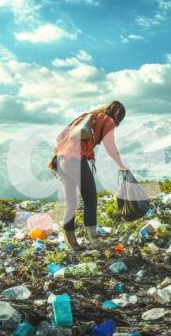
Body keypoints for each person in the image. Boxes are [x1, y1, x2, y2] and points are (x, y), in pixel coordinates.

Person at [50, 101, 128, 251]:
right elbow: (110, 145)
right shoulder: (108, 120)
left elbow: (61, 137)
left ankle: (71, 242)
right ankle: (94, 240)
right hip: (75, 160)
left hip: (61, 160)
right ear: (118, 114)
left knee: (71, 203)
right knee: (90, 200)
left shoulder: (87, 116)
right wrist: (120, 163)